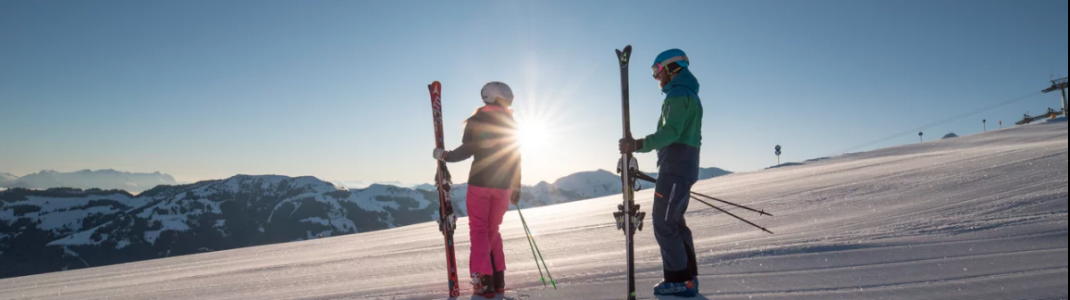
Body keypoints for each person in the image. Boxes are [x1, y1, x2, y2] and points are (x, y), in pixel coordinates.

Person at [619, 49, 704, 297]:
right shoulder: (688, 95)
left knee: (664, 224)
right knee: (675, 223)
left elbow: (672, 132)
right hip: (681, 167)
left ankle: (680, 280)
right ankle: (687, 278)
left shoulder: (677, 95)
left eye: (657, 71)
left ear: (670, 68)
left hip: (676, 169)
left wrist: (637, 145)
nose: (656, 78)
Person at [433, 82, 522, 298]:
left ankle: (483, 282)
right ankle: (497, 281)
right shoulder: (511, 122)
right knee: (493, 231)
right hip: (503, 185)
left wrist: (444, 156)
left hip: (480, 183)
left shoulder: (478, 119)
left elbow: (468, 149)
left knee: (480, 231)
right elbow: (515, 156)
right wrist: (516, 185)